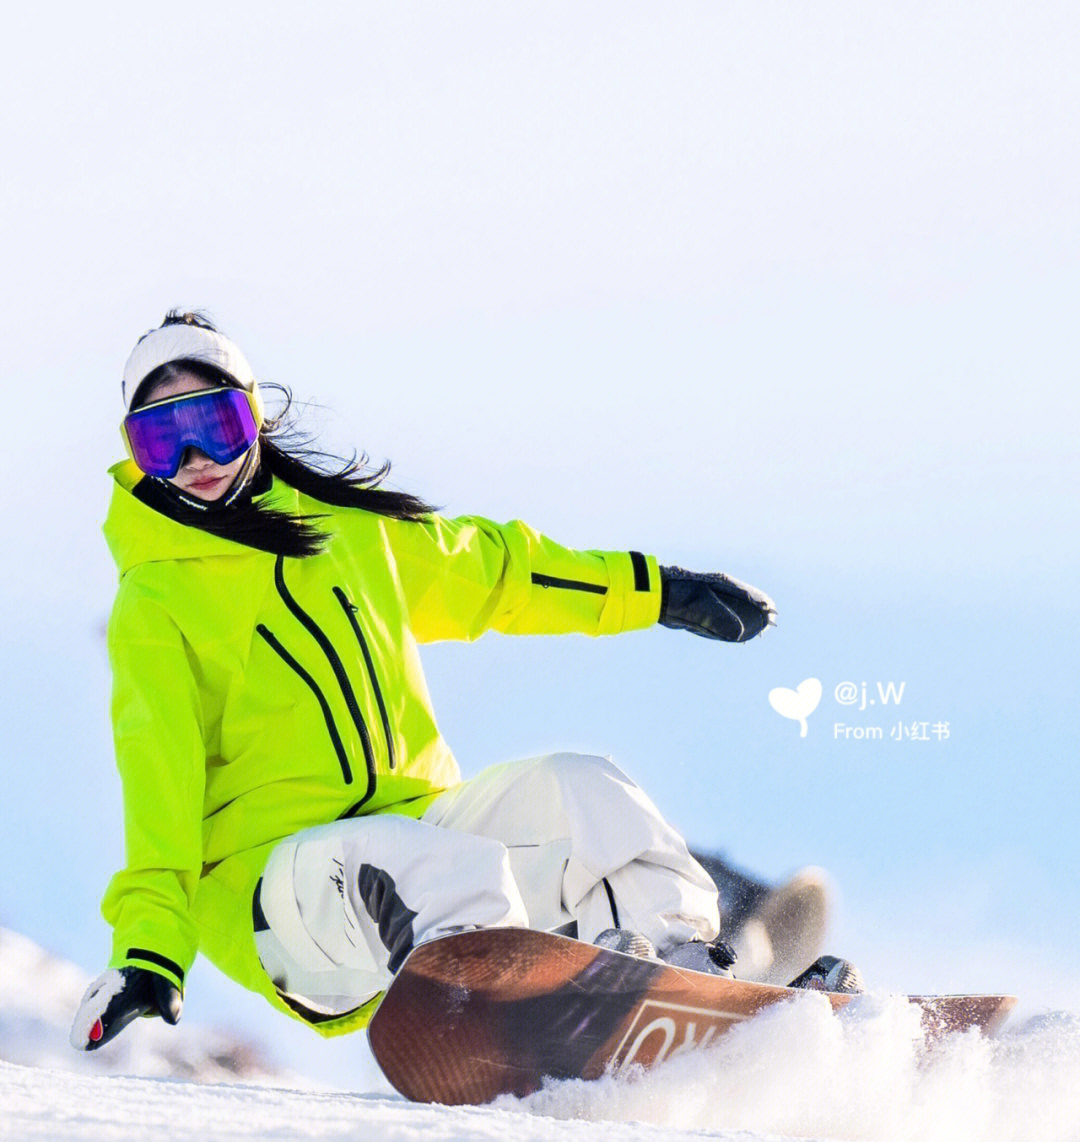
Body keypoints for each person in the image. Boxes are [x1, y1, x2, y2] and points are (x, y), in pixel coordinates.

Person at [72, 312, 860, 1057]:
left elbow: (500, 570)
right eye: (159, 440)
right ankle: (513, 1021)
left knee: (587, 790)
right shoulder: (156, 601)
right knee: (428, 863)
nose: (194, 459)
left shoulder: (353, 536)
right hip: (278, 895)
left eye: (212, 425)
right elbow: (159, 794)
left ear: (253, 418)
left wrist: (655, 588)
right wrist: (151, 952)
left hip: (422, 836)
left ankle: (683, 985)